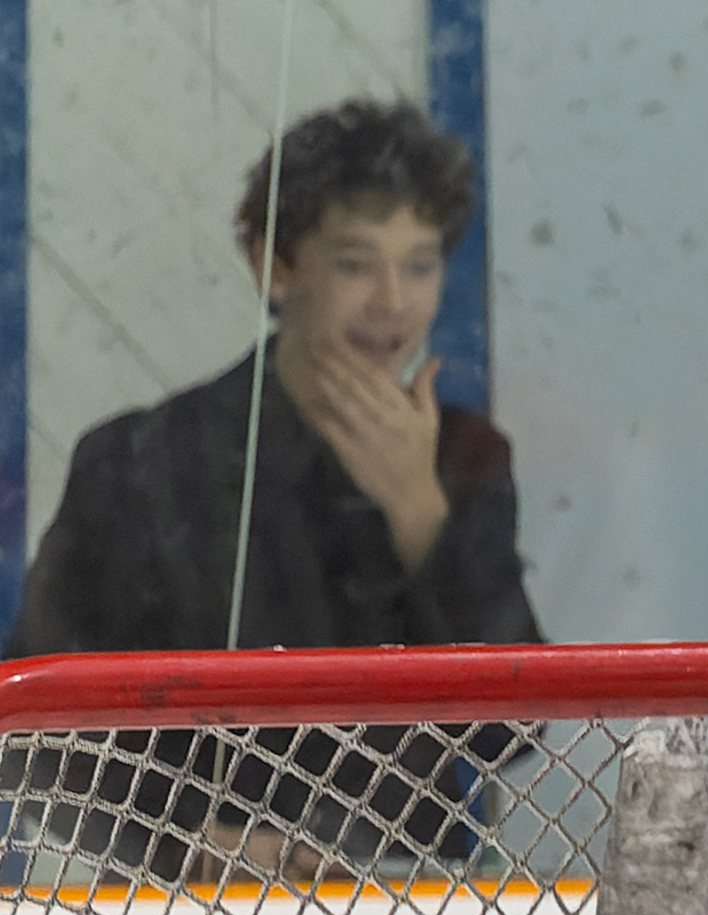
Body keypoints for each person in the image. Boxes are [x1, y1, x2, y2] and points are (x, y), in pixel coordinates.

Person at [6, 99, 539, 872]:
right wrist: (180, 839)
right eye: (356, 263)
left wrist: (421, 514)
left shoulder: (466, 457)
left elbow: (512, 735)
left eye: (420, 264)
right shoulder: (139, 461)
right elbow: (33, 737)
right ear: (273, 265)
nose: (393, 301)